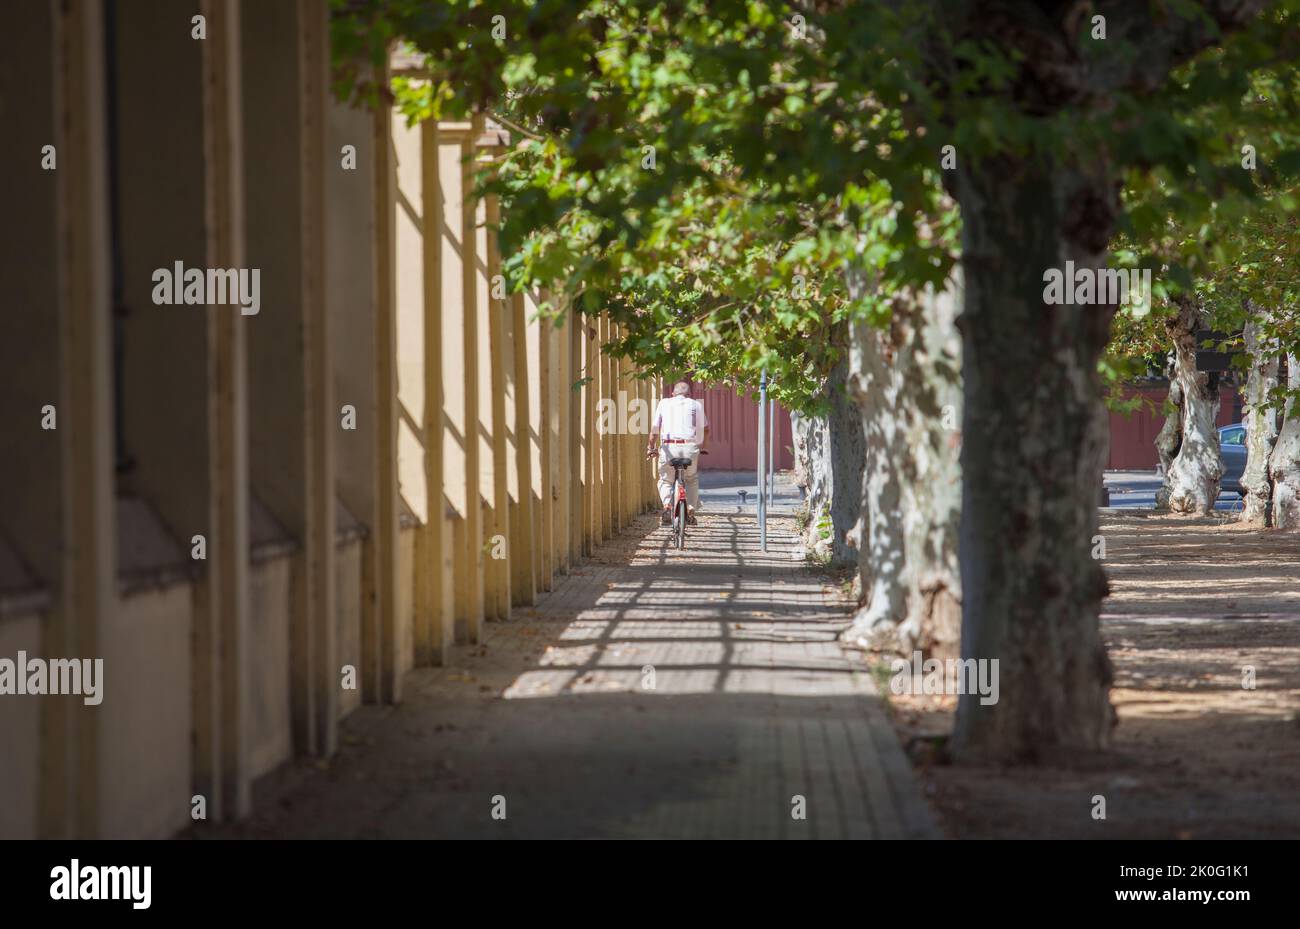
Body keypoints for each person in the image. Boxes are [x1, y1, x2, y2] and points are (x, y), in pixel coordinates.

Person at [646, 381, 709, 525]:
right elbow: (706, 429)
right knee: (691, 479)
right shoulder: (696, 405)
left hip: (669, 447)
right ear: (689, 395)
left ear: (673, 394)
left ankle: (667, 506)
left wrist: (651, 447)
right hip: (689, 448)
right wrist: (704, 447)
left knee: (666, 480)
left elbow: (655, 430)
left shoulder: (664, 403)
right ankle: (691, 511)